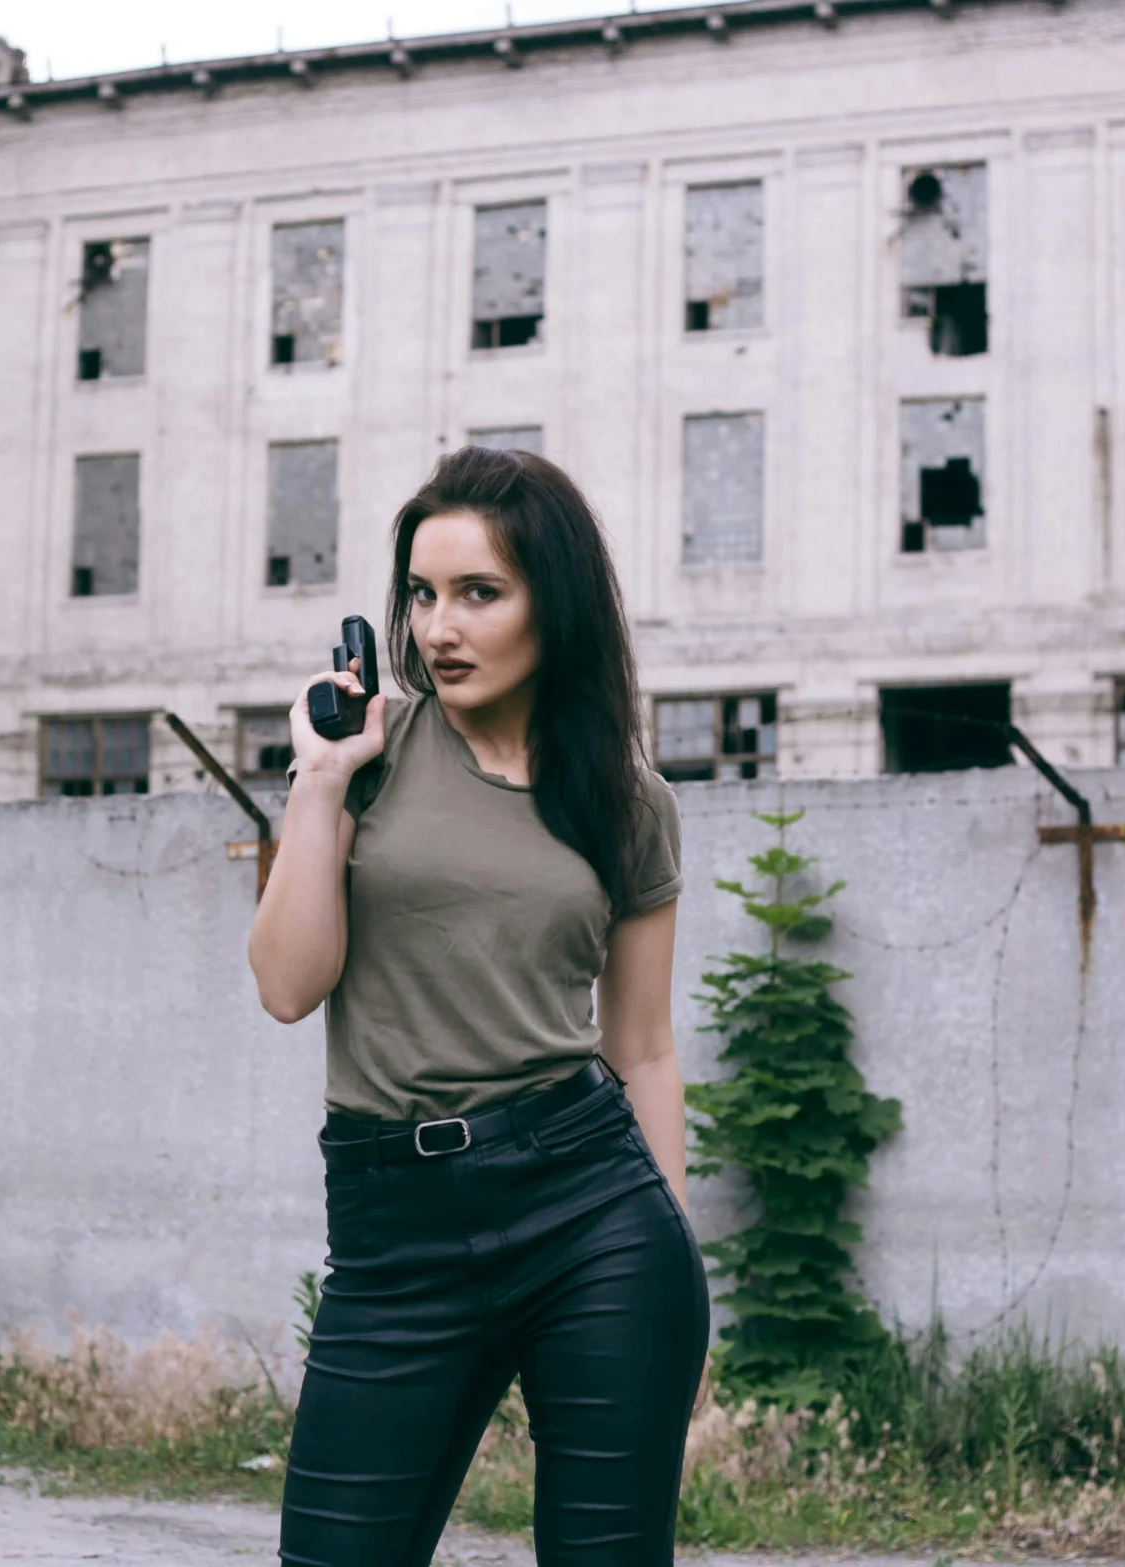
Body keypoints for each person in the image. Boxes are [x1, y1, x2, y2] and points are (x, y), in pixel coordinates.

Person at [247, 445, 710, 1567]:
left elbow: (642, 1049)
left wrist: (679, 1269)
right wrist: (317, 781)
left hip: (590, 1209)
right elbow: (285, 984)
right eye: (419, 593)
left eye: (477, 594)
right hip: (393, 1230)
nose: (437, 627)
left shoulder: (626, 798)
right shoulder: (370, 754)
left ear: (555, 603)